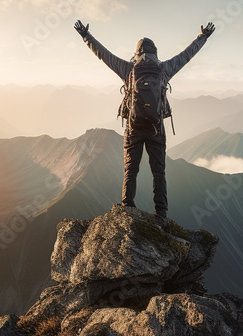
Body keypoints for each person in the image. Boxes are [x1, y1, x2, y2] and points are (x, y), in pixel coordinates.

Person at [74, 19, 216, 220]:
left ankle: (127, 207)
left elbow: (103, 55)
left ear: (137, 53)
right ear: (155, 53)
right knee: (159, 172)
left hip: (133, 128)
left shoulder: (128, 69)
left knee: (131, 169)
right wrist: (202, 37)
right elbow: (186, 56)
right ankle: (161, 213)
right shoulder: (164, 69)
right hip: (156, 129)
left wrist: (86, 36)